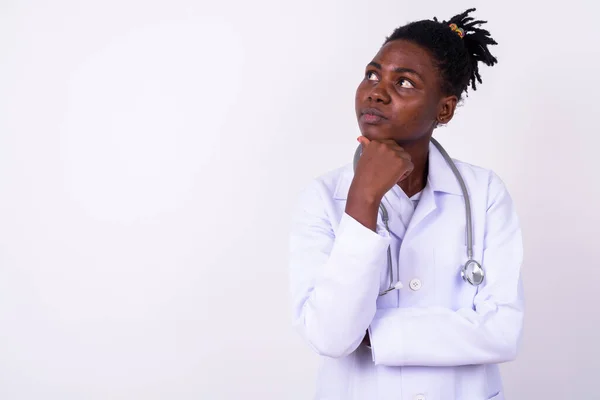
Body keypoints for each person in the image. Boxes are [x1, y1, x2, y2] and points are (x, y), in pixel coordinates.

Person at [288, 8, 524, 400]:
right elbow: (331, 337)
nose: (377, 91)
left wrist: (375, 334)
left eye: (405, 83)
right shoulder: (322, 197)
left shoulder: (484, 194)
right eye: (373, 74)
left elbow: (503, 332)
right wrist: (363, 200)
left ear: (443, 109)